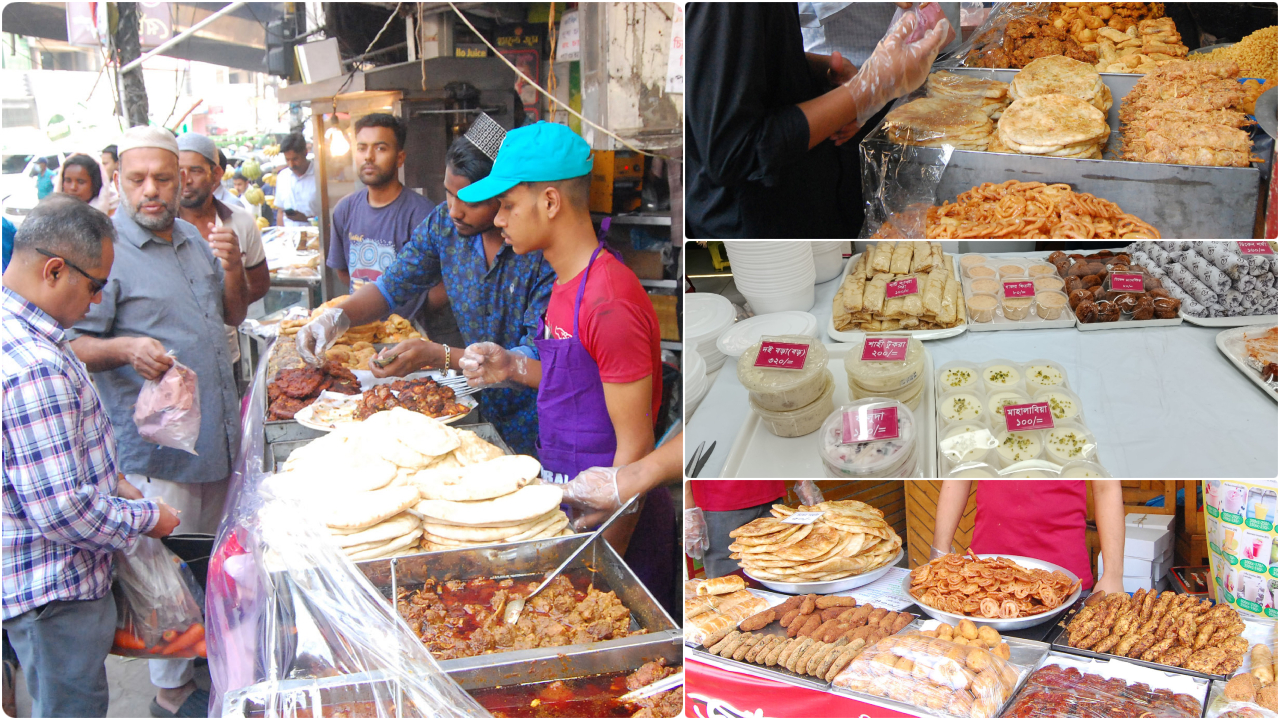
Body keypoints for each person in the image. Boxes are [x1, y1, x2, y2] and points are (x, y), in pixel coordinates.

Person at [66, 126, 248, 717]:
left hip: (216, 437)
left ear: (182, 180)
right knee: (163, 578)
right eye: (138, 179)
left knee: (212, 562)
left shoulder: (194, 239)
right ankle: (170, 694)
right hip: (157, 453)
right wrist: (123, 348)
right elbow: (70, 343)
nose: (151, 190)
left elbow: (232, 314)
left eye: (163, 179)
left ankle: (210, 666)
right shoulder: (105, 251)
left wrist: (234, 267)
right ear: (117, 180)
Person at [456, 121, 673, 606]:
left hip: (620, 533)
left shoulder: (607, 300)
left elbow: (634, 449)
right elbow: (578, 380)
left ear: (550, 202)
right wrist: (512, 367)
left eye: (507, 205)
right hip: (573, 510)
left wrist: (602, 580)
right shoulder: (564, 284)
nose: (498, 219)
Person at [3, 195, 181, 717]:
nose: (99, 301)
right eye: (95, 285)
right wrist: (148, 518)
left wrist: (115, 484)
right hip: (53, 591)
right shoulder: (35, 364)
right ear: (55, 270)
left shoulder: (27, 334)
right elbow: (61, 510)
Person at [296, 117, 553, 457]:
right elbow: (391, 286)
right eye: (449, 193)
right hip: (473, 403)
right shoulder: (443, 226)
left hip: (540, 419)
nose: (455, 210)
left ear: (505, 196)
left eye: (471, 201)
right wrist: (335, 318)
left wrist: (439, 356)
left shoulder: (540, 252)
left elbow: (537, 358)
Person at [684, 3, 951, 237]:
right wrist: (869, 88)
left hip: (805, 192)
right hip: (756, 223)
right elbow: (733, 150)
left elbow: (743, 56)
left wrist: (809, 69)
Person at [325, 113, 436, 319]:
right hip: (361, 327)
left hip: (406, 332)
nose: (368, 156)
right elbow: (344, 272)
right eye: (362, 148)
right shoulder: (344, 209)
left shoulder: (422, 214)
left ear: (400, 158)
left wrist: (411, 315)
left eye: (380, 148)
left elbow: (440, 285)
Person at [932, 479, 1127, 593]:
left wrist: (1113, 574)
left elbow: (1106, 486)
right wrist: (939, 551)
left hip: (1062, 582)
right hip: (984, 576)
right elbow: (959, 475)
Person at [177, 132, 271, 369]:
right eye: (178, 171)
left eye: (195, 171)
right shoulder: (161, 228)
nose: (186, 180)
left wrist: (225, 306)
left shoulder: (240, 221)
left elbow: (259, 283)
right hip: (175, 363)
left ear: (216, 174)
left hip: (227, 357)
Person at [684, 480, 825, 579]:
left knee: (779, 573)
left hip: (771, 494)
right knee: (727, 588)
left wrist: (803, 481)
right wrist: (688, 509)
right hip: (720, 503)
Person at [274, 133, 318, 226]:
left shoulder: (319, 176)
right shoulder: (282, 176)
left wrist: (306, 219)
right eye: (287, 160)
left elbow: (329, 214)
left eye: (295, 159)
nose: (291, 164)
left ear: (305, 153)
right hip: (289, 234)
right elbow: (280, 212)